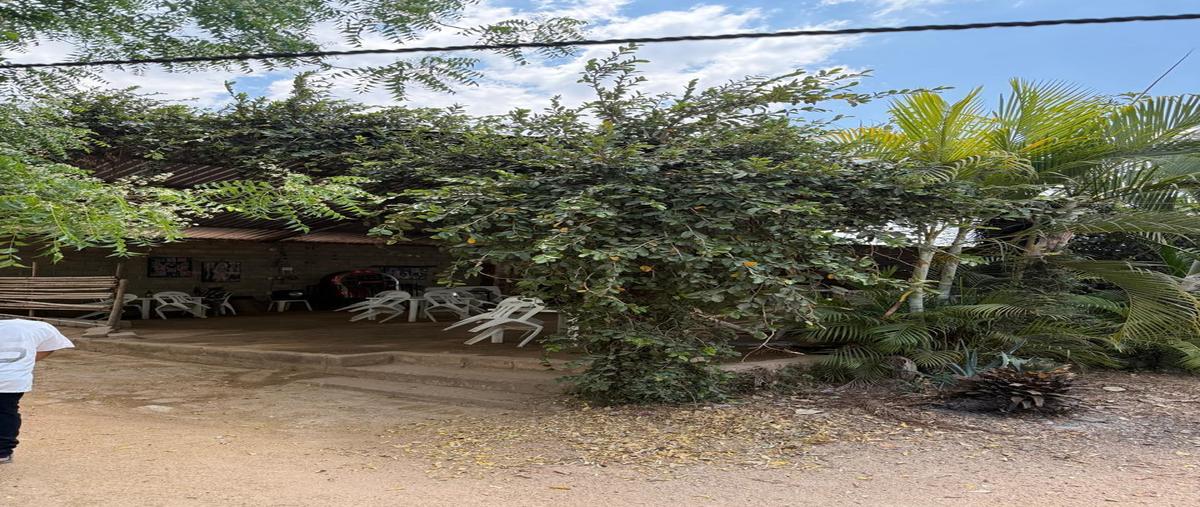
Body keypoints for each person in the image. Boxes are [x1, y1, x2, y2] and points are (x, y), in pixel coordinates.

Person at [0, 319, 74, 464]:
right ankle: (2, 451)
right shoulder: (39, 327)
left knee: (5, 411)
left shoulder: (36, 328)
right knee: (6, 410)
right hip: (13, 378)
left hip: (11, 378)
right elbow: (52, 345)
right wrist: (25, 361)